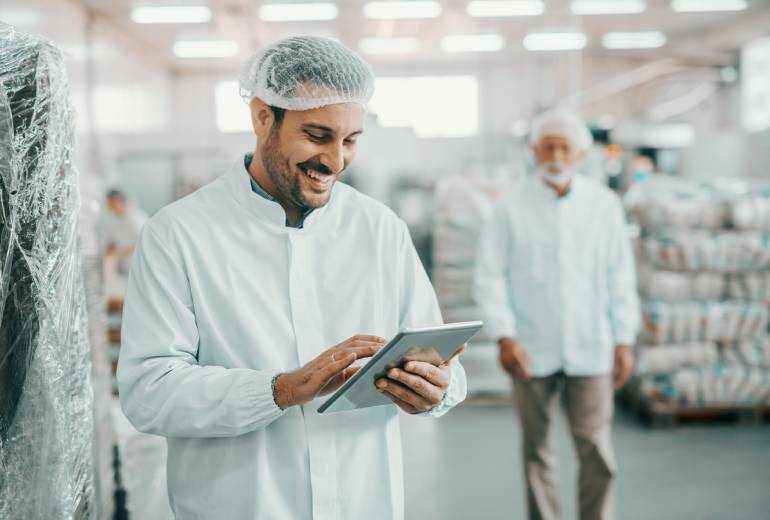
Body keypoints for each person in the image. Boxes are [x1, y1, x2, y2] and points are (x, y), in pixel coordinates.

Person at [117, 36, 466, 520]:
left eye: (350, 141)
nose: (336, 160)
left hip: (362, 503)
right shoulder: (178, 234)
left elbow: (442, 363)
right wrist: (281, 389)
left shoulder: (379, 229)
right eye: (318, 136)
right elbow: (148, 391)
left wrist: (436, 387)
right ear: (263, 117)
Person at [474, 110, 640, 520]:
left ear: (581, 154)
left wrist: (624, 338)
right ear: (534, 150)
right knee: (536, 450)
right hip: (531, 346)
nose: (556, 154)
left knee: (596, 447)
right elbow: (489, 276)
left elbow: (620, 274)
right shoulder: (510, 209)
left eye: (565, 147)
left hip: (592, 344)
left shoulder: (603, 206)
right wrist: (505, 336)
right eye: (548, 145)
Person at [101, 189, 147, 274]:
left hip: (140, 268)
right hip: (125, 269)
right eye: (108, 205)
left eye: (111, 204)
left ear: (118, 201)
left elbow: (141, 245)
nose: (109, 207)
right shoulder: (114, 220)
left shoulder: (137, 219)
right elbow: (111, 242)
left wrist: (117, 254)